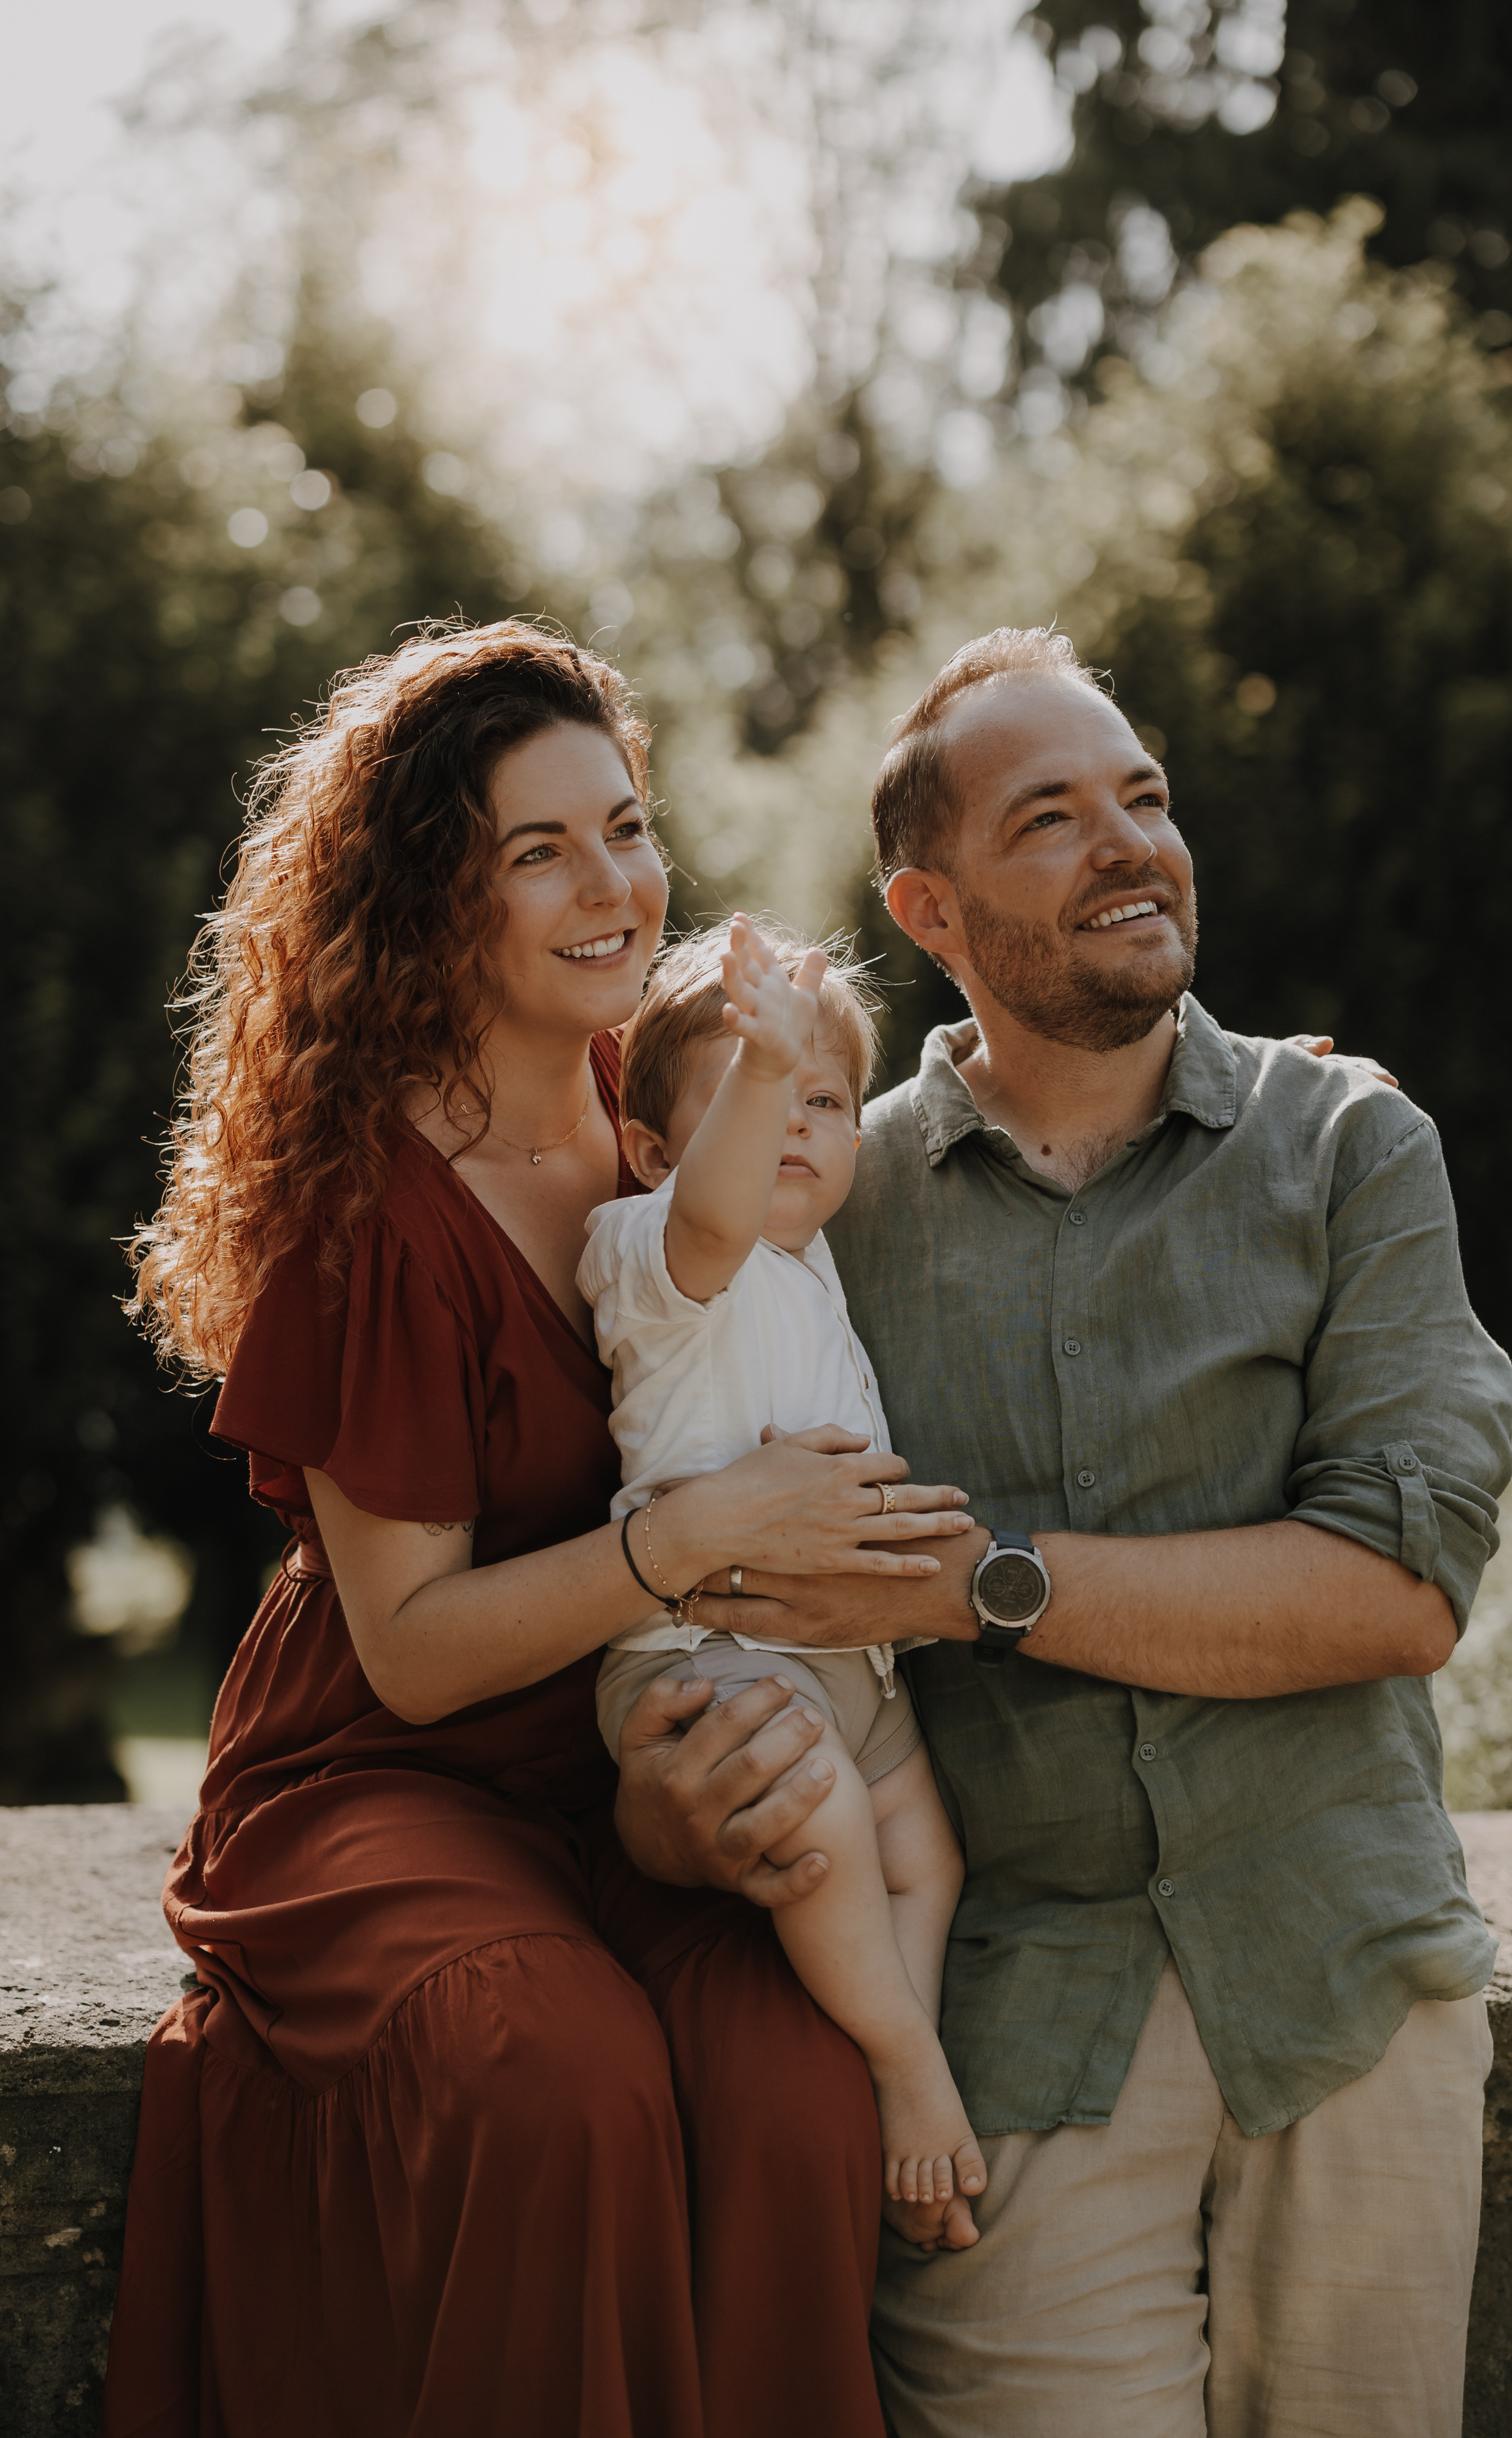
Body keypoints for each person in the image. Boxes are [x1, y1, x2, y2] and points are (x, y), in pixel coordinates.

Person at [612, 627, 1512, 2434]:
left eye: (1144, 797)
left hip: (1345, 1975)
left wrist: (976, 1583)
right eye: (1050, 817)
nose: (1128, 843)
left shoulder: (1347, 1146)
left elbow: (1398, 1589)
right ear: (928, 907)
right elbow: (702, 1548)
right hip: (1018, 2040)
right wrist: (671, 1793)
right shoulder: (826, 1209)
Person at [102, 620, 928, 2438]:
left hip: (650, 1739)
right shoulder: (365, 1201)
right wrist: (694, 1537)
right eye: (534, 851)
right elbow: (408, 1649)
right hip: (390, 1773)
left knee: (799, 2093)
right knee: (556, 2079)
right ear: (425, 898)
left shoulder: (678, 1095)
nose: (609, 883)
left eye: (624, 828)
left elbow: (887, 1127)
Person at [587, 912, 985, 2230]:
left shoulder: (811, 1266)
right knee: (819, 1829)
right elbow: (714, 1200)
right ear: (653, 1147)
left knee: (925, 1855)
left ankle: (895, 2060)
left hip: (850, 1662)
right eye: (757, 1095)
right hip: (713, 1657)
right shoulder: (658, 1253)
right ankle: (908, 2065)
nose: (797, 1121)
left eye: (825, 1097)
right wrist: (768, 1063)